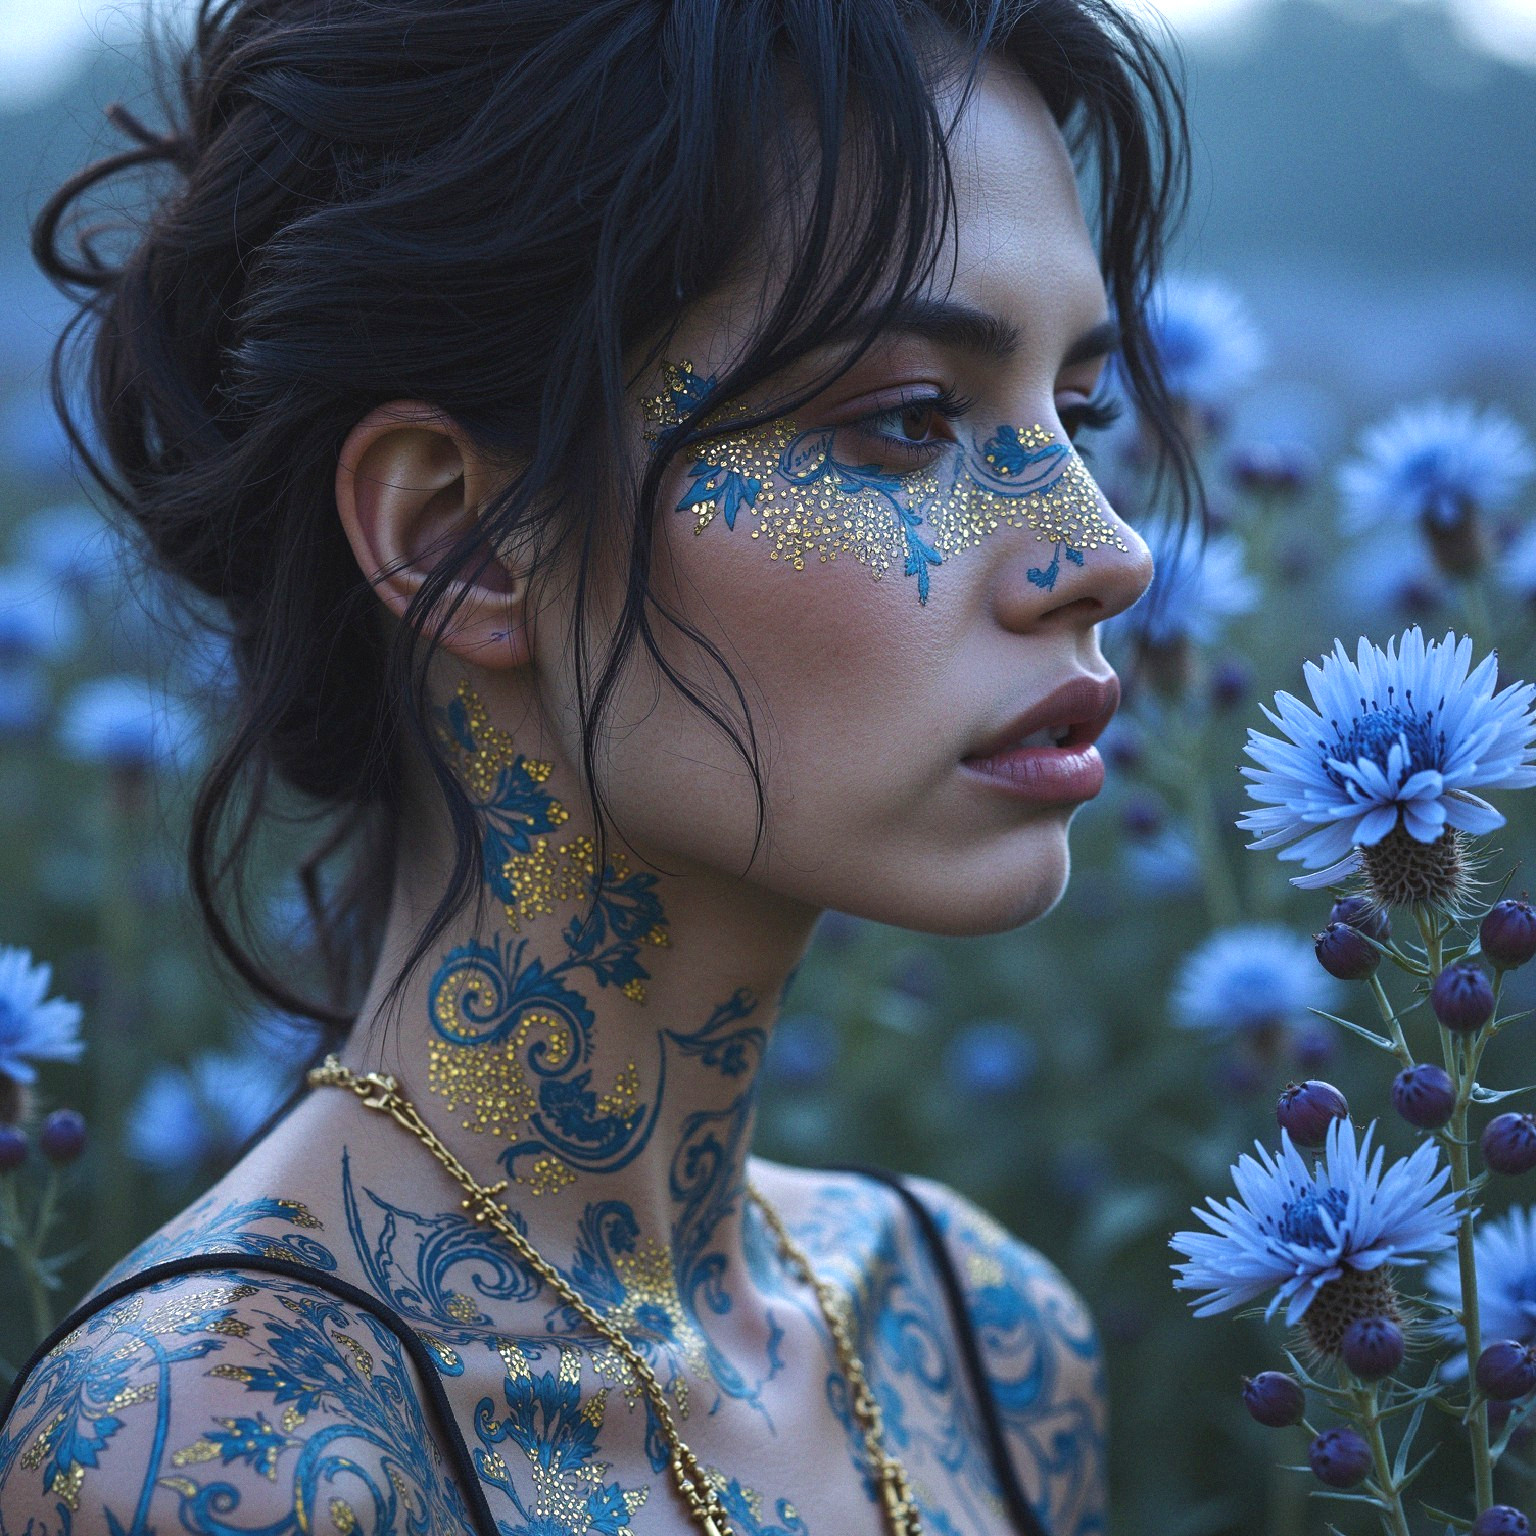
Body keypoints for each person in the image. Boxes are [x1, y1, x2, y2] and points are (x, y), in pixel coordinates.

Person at [0, 1, 1196, 1531]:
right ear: (462, 539)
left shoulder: (985, 1346)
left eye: (1080, 411)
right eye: (910, 420)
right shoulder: (225, 1453)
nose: (1109, 549)